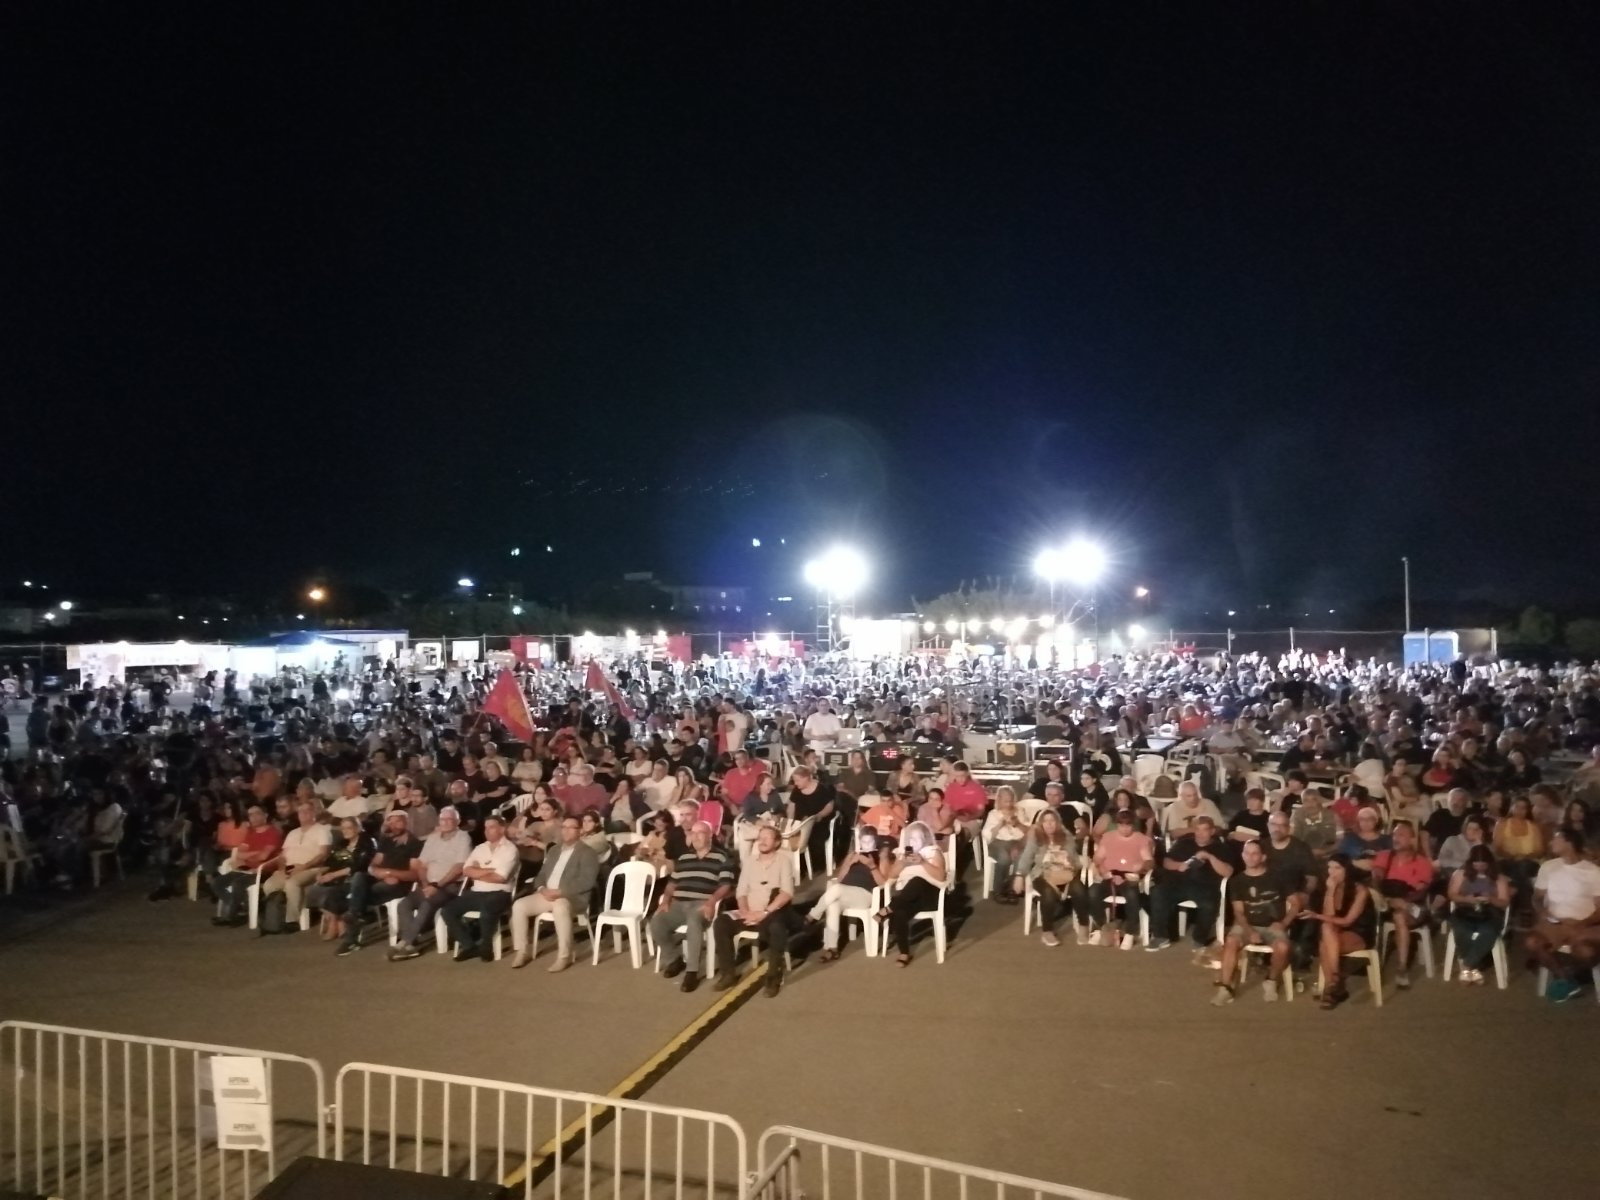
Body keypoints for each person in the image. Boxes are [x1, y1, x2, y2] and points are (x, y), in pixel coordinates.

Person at [1213, 838, 1301, 1005]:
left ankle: (1271, 980)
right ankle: (1225, 987)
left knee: (1283, 947)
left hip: (1273, 925)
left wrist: (1284, 923)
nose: (1250, 857)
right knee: (1231, 941)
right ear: (1242, 855)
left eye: (1255, 854)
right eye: (1247, 853)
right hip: (1247, 924)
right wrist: (1249, 931)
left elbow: (1296, 903)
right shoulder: (1237, 881)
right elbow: (1238, 912)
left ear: (1263, 857)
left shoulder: (1278, 877)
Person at [712, 824, 797, 996]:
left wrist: (764, 913)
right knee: (721, 922)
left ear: (777, 842)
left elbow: (787, 893)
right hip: (749, 912)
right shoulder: (750, 862)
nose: (762, 841)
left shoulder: (783, 861)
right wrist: (744, 911)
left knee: (777, 927)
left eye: (767, 838)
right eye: (760, 837)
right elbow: (741, 891)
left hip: (771, 912)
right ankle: (728, 974)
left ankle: (773, 976)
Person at [652, 820, 737, 990]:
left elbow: (725, 885)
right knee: (657, 922)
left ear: (710, 836)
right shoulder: (684, 858)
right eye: (693, 833)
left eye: (700, 833)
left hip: (702, 903)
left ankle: (692, 972)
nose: (695, 837)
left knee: (694, 922)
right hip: (679, 903)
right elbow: (672, 883)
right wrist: (666, 900)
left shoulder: (721, 857)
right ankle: (674, 960)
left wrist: (712, 901)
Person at [510, 816, 601, 972]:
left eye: (570, 827)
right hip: (547, 895)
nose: (565, 831)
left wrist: (560, 892)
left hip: (571, 897)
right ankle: (522, 951)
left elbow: (586, 881)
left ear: (579, 831)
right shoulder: (554, 850)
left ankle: (564, 956)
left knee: (560, 906)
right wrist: (541, 889)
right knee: (519, 905)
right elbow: (541, 875)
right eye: (563, 827)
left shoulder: (588, 852)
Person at [790, 827, 889, 962]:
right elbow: (840, 878)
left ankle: (810, 917)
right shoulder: (852, 855)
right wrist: (849, 863)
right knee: (833, 905)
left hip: (865, 895)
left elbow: (884, 884)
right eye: (864, 842)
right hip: (846, 892)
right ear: (859, 842)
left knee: (836, 889)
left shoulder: (880, 857)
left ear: (875, 842)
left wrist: (872, 866)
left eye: (870, 842)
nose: (866, 845)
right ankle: (832, 949)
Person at [1524, 829, 1600, 1002]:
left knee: (1587, 953)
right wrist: (1542, 911)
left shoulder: (1593, 872)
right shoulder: (1548, 867)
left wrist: (1584, 922)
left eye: (1556, 839)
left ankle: (1572, 975)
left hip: (1582, 924)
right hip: (1554, 922)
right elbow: (1537, 898)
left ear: (1569, 843)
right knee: (1532, 942)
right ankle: (1565, 978)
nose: (1551, 843)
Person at [388, 806, 472, 961]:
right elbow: (421, 865)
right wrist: (426, 884)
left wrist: (437, 885)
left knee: (427, 903)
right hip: (428, 885)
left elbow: (459, 868)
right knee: (404, 904)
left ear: (457, 821)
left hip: (449, 886)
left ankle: (405, 942)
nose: (445, 822)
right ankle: (410, 944)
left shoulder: (463, 837)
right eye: (443, 819)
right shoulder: (433, 838)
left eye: (449, 819)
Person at [337, 809, 421, 956]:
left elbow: (414, 874)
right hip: (381, 880)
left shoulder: (415, 844)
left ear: (407, 823)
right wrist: (380, 873)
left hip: (399, 884)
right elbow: (372, 865)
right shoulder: (386, 841)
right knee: (359, 877)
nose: (393, 825)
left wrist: (390, 873)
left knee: (357, 896)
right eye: (391, 822)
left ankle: (352, 934)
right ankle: (357, 915)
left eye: (398, 821)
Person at [1148, 816, 1235, 953]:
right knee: (1158, 892)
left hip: (1205, 887)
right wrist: (1180, 865)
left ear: (1212, 831)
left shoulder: (1220, 847)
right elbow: (1166, 862)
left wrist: (1209, 857)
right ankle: (1161, 936)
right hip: (1179, 883)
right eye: (1197, 830)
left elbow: (1228, 872)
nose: (1200, 833)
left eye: (1205, 830)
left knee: (1209, 905)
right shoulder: (1184, 843)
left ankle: (1199, 939)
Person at [438, 815, 519, 962]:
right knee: (447, 911)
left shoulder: (510, 849)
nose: (487, 831)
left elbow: (500, 878)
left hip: (500, 892)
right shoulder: (480, 848)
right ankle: (469, 946)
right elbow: (466, 870)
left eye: (491, 827)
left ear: (502, 829)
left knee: (487, 910)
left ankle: (486, 948)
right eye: (485, 828)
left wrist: (478, 872)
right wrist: (489, 871)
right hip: (477, 891)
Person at [1302, 852, 1375, 1010]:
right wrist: (1330, 891)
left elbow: (1347, 921)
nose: (1332, 872)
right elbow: (1329, 917)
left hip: (1358, 932)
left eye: (1337, 868)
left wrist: (1316, 915)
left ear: (1347, 870)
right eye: (1330, 868)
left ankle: (1333, 985)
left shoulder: (1360, 890)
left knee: (1325, 942)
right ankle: (1335, 984)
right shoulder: (1327, 888)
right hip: (1334, 934)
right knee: (1326, 931)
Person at [1371, 821, 1434, 989]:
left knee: (1400, 915)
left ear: (1412, 839)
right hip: (1385, 903)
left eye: (1401, 835)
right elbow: (1376, 878)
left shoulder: (1422, 862)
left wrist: (1405, 902)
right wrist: (1380, 887)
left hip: (1412, 905)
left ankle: (1401, 968)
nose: (1395, 838)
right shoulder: (1384, 856)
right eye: (1394, 835)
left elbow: (1422, 891)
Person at [257, 800, 334, 933]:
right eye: (300, 811)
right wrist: (282, 870)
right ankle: (276, 918)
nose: (303, 814)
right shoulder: (292, 833)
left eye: (307, 811)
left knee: (292, 883)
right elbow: (282, 856)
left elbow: (323, 855)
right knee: (269, 885)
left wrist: (304, 867)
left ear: (314, 813)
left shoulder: (322, 831)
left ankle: (292, 920)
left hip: (312, 868)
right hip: (289, 868)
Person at [1015, 810, 1090, 947]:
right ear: (1041, 824)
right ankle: (1047, 931)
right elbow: (1027, 857)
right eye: (1045, 821)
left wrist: (1070, 860)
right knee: (1048, 894)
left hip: (1065, 872)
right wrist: (1019, 875)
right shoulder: (1036, 838)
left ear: (1057, 823)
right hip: (1043, 873)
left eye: (1052, 821)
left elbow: (1075, 859)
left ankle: (1083, 926)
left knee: (1079, 889)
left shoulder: (1066, 837)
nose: (1049, 824)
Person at [883, 821, 948, 966]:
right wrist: (903, 863)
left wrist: (923, 862)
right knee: (900, 912)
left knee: (917, 881)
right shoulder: (903, 855)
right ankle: (904, 953)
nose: (913, 842)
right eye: (911, 838)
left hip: (928, 895)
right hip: (907, 899)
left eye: (917, 838)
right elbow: (891, 876)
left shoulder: (933, 852)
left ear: (924, 839)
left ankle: (888, 908)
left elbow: (941, 876)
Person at [1089, 807, 1154, 948]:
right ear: (1117, 824)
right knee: (1093, 892)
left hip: (1129, 877)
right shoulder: (1108, 837)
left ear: (1133, 825)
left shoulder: (1140, 839)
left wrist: (1140, 868)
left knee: (1132, 895)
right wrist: (1101, 870)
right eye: (1121, 825)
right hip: (1109, 876)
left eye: (1128, 825)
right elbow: (1098, 858)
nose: (1125, 829)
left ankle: (1130, 932)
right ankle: (1101, 927)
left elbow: (1149, 861)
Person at [210, 803, 284, 927]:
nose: (253, 817)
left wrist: (249, 855)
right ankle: (240, 906)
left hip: (264, 871)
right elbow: (239, 854)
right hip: (246, 868)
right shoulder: (251, 833)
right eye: (250, 815)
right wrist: (255, 853)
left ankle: (230, 916)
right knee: (217, 883)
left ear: (265, 815)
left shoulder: (272, 832)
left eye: (256, 814)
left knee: (238, 884)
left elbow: (263, 857)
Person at [1447, 846, 1512, 984]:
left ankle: (1467, 966)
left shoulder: (1499, 878)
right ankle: (1474, 967)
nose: (1479, 868)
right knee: (1461, 931)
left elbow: (1504, 902)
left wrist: (1491, 899)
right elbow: (1452, 895)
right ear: (1471, 862)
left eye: (1483, 864)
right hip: (1465, 910)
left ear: (1489, 863)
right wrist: (1467, 899)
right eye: (1476, 864)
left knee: (1488, 932)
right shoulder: (1461, 874)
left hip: (1490, 913)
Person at [306, 816, 373, 941]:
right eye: (343, 828)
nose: (345, 831)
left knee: (331, 893)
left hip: (355, 880)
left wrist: (333, 875)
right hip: (337, 879)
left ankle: (333, 923)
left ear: (357, 828)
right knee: (313, 891)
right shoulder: (342, 844)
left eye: (349, 828)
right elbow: (330, 863)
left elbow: (359, 866)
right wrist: (321, 872)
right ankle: (338, 920)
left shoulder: (366, 842)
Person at [1493, 794, 1545, 914]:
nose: (1520, 810)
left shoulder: (1534, 827)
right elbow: (1497, 848)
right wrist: (1511, 856)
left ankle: (1517, 906)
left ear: (1527, 810)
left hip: (1529, 862)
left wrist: (1525, 856)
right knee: (1512, 868)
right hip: (1506, 860)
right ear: (1511, 807)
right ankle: (1525, 907)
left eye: (1523, 808)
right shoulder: (1502, 824)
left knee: (1523, 866)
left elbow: (1540, 850)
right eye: (1517, 806)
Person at [982, 786, 1029, 902]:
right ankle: (998, 890)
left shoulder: (1020, 811)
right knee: (1004, 859)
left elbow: (1028, 831)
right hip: (997, 842)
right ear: (999, 800)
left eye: (1011, 801)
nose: (1009, 804)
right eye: (1005, 801)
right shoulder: (993, 814)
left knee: (1021, 857)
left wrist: (1017, 824)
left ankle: (1012, 888)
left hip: (1017, 842)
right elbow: (987, 835)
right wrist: (1000, 824)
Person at [1159, 780, 1224, 839]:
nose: (1193, 798)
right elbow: (1174, 833)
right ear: (1182, 796)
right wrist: (1199, 830)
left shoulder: (1208, 803)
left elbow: (1221, 827)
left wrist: (1206, 832)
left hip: (1209, 840)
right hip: (1184, 842)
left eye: (1195, 794)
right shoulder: (1174, 807)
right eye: (1189, 796)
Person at [1288, 788, 1340, 859]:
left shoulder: (1332, 816)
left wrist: (1325, 851)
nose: (1310, 804)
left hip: (1327, 856)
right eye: (1306, 800)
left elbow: (1341, 840)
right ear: (1302, 802)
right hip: (1301, 856)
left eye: (1314, 799)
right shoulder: (1296, 815)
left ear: (1319, 801)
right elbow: (1289, 839)